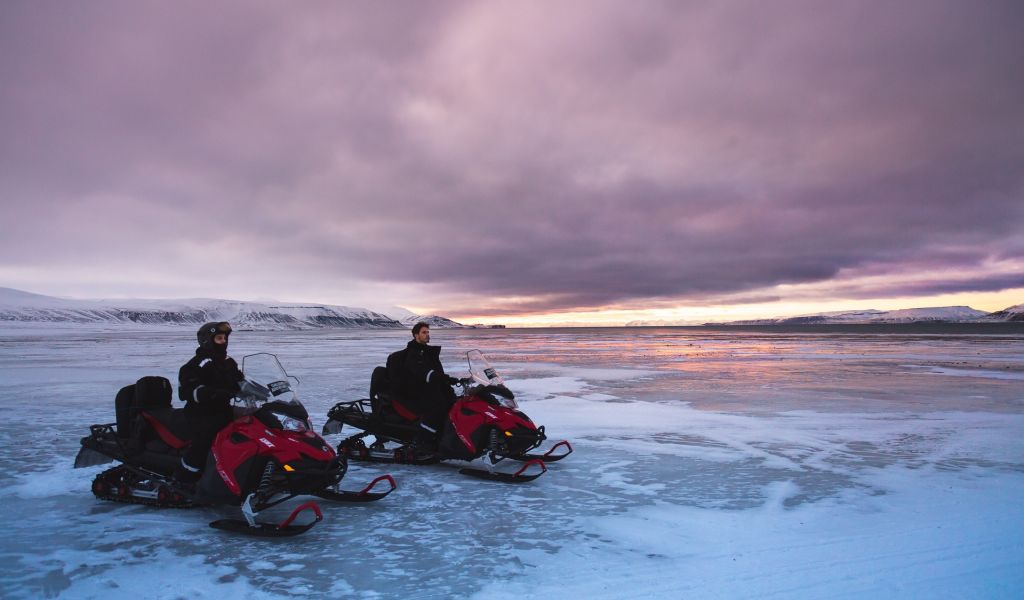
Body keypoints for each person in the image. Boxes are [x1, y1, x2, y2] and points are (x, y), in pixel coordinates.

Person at [173, 321, 243, 484]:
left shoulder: (228, 362)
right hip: (201, 414)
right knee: (205, 441)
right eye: (219, 339)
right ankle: (184, 479)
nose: (223, 342)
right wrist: (213, 394)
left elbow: (240, 381)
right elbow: (188, 391)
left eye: (225, 339)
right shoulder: (194, 365)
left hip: (225, 411)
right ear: (207, 341)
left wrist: (258, 390)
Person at [386, 322, 459, 440]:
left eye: (428, 332)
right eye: (424, 332)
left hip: (428, 387)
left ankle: (450, 436)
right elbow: (421, 371)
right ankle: (425, 440)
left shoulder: (426, 352)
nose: (427, 335)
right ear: (416, 335)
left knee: (453, 401)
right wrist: (441, 378)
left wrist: (446, 380)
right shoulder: (414, 353)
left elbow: (434, 371)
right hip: (415, 390)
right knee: (438, 407)